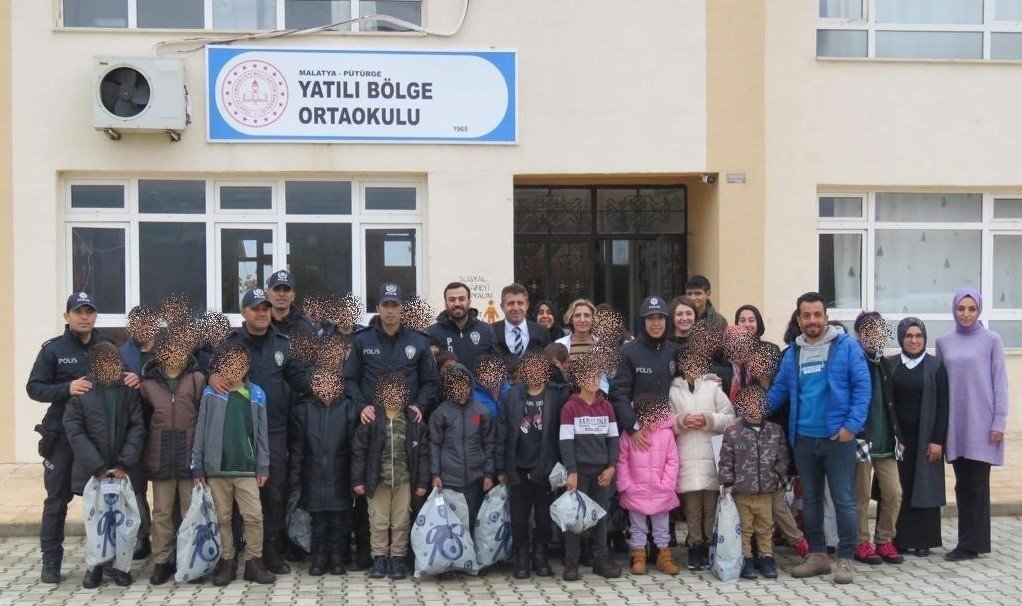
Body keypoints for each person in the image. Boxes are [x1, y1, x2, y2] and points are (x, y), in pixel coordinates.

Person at [766, 292, 870, 585]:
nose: (812, 321)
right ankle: (818, 556)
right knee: (810, 500)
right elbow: (778, 392)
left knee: (843, 500)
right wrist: (748, 410)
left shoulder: (847, 347)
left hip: (837, 438)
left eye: (817, 315)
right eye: (806, 315)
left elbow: (862, 388)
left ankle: (846, 560)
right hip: (804, 439)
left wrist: (851, 426)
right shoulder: (793, 353)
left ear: (825, 316)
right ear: (798, 319)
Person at [209, 288, 310, 575]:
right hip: (239, 432)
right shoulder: (230, 344)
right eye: (256, 308)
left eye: (265, 308)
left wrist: (324, 383)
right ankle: (233, 556)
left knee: (273, 494)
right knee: (235, 495)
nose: (263, 313)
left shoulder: (283, 344)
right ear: (243, 313)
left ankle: (271, 554)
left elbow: (300, 378)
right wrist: (211, 374)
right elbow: (210, 372)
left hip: (274, 430)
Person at [345, 282, 437, 570]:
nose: (390, 310)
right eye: (385, 304)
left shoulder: (419, 342)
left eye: (395, 305)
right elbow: (349, 380)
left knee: (403, 501)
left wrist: (419, 405)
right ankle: (374, 556)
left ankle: (401, 556)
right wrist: (363, 406)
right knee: (372, 495)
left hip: (405, 427)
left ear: (402, 308)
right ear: (378, 307)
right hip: (372, 427)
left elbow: (431, 382)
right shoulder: (362, 341)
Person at [26, 292, 113, 584]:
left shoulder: (109, 348)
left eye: (89, 311)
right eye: (78, 312)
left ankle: (105, 559)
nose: (84, 316)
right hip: (61, 436)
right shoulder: (53, 350)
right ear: (67, 317)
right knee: (57, 500)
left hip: (97, 439)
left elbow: (122, 382)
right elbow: (34, 388)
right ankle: (51, 561)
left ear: (95, 316)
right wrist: (67, 388)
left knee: (103, 501)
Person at [62, 342, 146, 588]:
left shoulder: (128, 390)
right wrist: (96, 466)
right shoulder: (82, 391)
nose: (110, 367)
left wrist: (124, 463)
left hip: (122, 471)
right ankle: (95, 567)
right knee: (96, 520)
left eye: (114, 362)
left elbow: (137, 426)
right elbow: (75, 431)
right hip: (95, 472)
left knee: (123, 520)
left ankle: (120, 567)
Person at [191, 345, 276, 586]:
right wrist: (197, 465)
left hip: (246, 470)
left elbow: (262, 435)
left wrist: (263, 466)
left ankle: (253, 562)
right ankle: (227, 561)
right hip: (217, 470)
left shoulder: (256, 394)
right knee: (222, 517)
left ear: (247, 366)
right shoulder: (211, 393)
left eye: (239, 363)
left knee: (254, 516)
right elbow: (200, 431)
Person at [936, 288, 1009, 562]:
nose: (966, 314)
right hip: (956, 425)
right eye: (961, 308)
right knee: (962, 484)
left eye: (972, 309)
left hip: (983, 425)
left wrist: (999, 422)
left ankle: (971, 545)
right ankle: (968, 541)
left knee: (978, 485)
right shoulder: (944, 342)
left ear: (979, 311)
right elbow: (941, 386)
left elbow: (1000, 382)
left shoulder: (992, 340)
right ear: (954, 310)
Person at [733, 304, 808, 558]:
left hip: (773, 446)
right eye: (741, 320)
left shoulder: (778, 387)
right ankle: (761, 546)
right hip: (743, 447)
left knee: (776, 495)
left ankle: (793, 541)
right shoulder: (737, 369)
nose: (761, 363)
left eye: (751, 319)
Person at [137, 334, 206, 585]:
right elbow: (141, 423)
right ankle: (161, 562)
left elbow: (203, 418)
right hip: (161, 455)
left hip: (189, 456)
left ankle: (190, 560)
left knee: (190, 512)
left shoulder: (198, 379)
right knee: (162, 513)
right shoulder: (148, 384)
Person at [351, 372, 430, 580]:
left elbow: (422, 454)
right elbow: (359, 452)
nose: (393, 397)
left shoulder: (414, 420)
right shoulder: (371, 419)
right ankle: (379, 558)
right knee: (378, 521)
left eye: (398, 392)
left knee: (401, 521)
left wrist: (422, 482)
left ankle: (397, 558)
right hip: (377, 481)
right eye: (388, 392)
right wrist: (358, 480)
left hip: (404, 481)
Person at [496, 353, 565, 579]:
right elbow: (503, 434)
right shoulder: (511, 396)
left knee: (544, 518)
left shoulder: (556, 395)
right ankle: (522, 555)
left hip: (545, 466)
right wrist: (501, 468)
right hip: (518, 466)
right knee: (519, 518)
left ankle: (540, 554)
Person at [670, 344, 734, 571]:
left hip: (710, 455)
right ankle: (695, 546)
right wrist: (681, 421)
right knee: (692, 509)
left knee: (710, 506)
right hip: (686, 455)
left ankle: (709, 545)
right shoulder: (673, 389)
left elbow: (729, 416)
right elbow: (667, 420)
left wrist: (708, 419)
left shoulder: (713, 388)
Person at [888, 318, 948, 557]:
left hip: (926, 439)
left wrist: (938, 440)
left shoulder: (935, 366)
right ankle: (898, 538)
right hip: (898, 439)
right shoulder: (890, 365)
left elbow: (944, 405)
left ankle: (924, 540)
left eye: (918, 336)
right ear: (901, 338)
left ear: (924, 338)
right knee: (898, 487)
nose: (914, 340)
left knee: (924, 486)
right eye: (908, 336)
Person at [559, 357, 622, 581]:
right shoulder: (570, 407)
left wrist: (612, 466)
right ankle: (572, 562)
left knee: (601, 517)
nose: (593, 380)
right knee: (575, 518)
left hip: (601, 472)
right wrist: (572, 471)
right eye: (588, 376)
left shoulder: (607, 407)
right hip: (579, 472)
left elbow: (613, 440)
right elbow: (565, 442)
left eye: (597, 376)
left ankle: (600, 559)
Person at [288, 368, 356, 577]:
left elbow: (355, 448)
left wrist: (355, 479)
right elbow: (298, 449)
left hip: (340, 475)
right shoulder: (303, 410)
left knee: (337, 521)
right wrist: (295, 479)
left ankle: (336, 558)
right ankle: (319, 557)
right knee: (318, 521)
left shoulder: (347, 408)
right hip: (313, 475)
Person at [719, 384, 788, 580]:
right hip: (742, 491)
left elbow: (783, 458)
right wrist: (728, 483)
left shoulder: (775, 430)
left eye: (758, 404)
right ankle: (746, 559)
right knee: (745, 527)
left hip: (766, 491)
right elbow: (726, 460)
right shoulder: (733, 432)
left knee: (765, 526)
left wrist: (775, 476)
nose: (754, 408)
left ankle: (766, 557)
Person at [852, 311, 905, 566]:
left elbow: (891, 404)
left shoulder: (885, 362)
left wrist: (898, 435)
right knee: (860, 494)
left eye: (878, 330)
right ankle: (861, 542)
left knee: (894, 492)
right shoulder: (854, 360)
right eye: (868, 330)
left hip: (886, 441)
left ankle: (884, 539)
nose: (874, 335)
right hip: (861, 439)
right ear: (859, 334)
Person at [616, 394, 680, 576]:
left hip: (661, 490)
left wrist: (667, 484)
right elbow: (622, 460)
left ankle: (664, 556)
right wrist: (627, 485)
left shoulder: (667, 434)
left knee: (662, 526)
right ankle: (638, 556)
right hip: (636, 489)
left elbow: (672, 460)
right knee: (637, 526)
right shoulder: (630, 434)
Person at [429, 364, 496, 528]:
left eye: (464, 385)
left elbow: (489, 443)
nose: (460, 389)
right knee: (452, 523)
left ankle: (471, 552)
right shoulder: (441, 413)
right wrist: (435, 473)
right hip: (449, 479)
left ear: (470, 385)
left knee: (473, 518)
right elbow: (434, 444)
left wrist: (488, 473)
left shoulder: (481, 411)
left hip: (475, 477)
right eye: (455, 385)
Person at [611, 296, 678, 445]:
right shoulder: (628, 352)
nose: (656, 323)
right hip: (638, 434)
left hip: (668, 432)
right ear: (642, 322)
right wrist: (632, 427)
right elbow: (619, 393)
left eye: (660, 318)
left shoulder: (673, 351)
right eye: (650, 318)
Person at [427, 282, 497, 372]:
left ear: (469, 302)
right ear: (445, 303)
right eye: (452, 300)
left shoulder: (486, 330)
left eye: (461, 299)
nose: (457, 303)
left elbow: (496, 368)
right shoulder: (432, 333)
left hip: (479, 386)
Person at [492, 283, 552, 358]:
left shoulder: (542, 332)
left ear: (527, 306)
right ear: (502, 307)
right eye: (511, 303)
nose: (516, 308)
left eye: (520, 303)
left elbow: (549, 363)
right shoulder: (491, 332)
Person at [266, 269, 319, 336]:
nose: (281, 294)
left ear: (293, 296)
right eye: (276, 289)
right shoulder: (258, 325)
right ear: (267, 294)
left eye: (286, 290)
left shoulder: (307, 329)